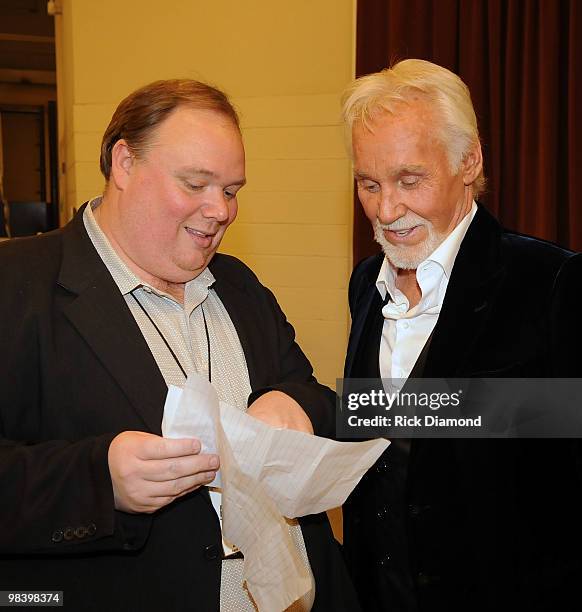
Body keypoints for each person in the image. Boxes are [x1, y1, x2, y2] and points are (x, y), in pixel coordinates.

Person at [0, 79, 359, 612]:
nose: (220, 211)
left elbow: (307, 392)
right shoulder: (17, 285)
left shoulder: (239, 285)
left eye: (232, 190)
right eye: (196, 184)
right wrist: (100, 480)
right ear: (124, 163)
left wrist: (296, 407)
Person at [341, 59, 582, 611]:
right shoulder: (364, 284)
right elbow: (370, 431)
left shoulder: (552, 282)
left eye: (410, 180)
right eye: (368, 183)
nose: (386, 210)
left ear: (469, 160)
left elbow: (568, 429)